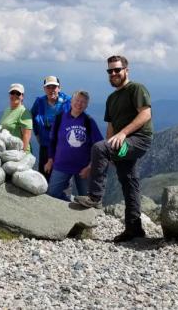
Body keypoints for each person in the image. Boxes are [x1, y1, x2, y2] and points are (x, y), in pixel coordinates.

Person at [76, 55, 153, 243]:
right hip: (122, 146)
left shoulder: (137, 89)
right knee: (129, 182)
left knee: (98, 147)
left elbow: (145, 114)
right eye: (110, 71)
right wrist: (107, 151)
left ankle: (95, 197)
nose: (113, 73)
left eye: (117, 70)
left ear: (126, 70)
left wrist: (122, 135)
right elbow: (111, 127)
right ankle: (134, 229)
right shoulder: (111, 98)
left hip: (138, 140)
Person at [45, 90, 103, 201]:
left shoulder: (89, 121)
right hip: (61, 165)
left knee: (87, 199)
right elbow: (52, 141)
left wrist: (90, 167)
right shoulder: (60, 119)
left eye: (83, 102)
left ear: (86, 105)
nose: (79, 104)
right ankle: (69, 204)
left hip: (83, 169)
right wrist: (50, 159)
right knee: (52, 194)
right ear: (71, 102)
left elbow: (99, 147)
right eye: (77, 100)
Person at [30, 75, 71, 180]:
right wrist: (37, 133)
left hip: (62, 146)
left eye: (54, 87)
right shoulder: (39, 102)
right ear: (44, 89)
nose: (51, 90)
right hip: (45, 144)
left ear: (59, 88)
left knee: (60, 175)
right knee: (44, 174)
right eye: (48, 87)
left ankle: (58, 195)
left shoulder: (68, 102)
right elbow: (32, 116)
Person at [0, 83, 33, 152]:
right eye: (12, 93)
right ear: (9, 95)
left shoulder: (24, 112)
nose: (15, 95)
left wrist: (21, 153)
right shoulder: (7, 110)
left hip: (18, 154)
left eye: (18, 93)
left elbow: (26, 136)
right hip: (8, 151)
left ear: (22, 96)